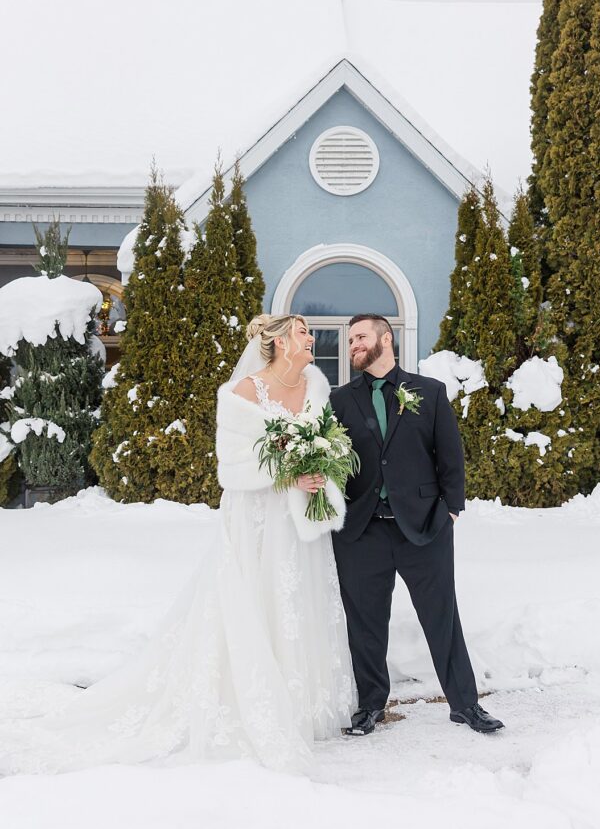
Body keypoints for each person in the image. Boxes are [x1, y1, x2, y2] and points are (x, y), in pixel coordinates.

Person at [0, 314, 355, 775]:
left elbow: (325, 442)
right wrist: (287, 471)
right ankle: (252, 698)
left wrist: (320, 469)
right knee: (257, 599)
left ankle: (300, 701)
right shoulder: (243, 394)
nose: (312, 339)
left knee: (297, 601)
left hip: (299, 520)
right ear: (281, 342)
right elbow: (230, 469)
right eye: (304, 332)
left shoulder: (315, 385)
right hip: (256, 521)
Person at [330, 314, 503, 736]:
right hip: (361, 531)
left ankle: (465, 705)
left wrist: (451, 509)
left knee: (442, 617)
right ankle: (371, 707)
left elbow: (450, 456)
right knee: (366, 624)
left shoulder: (429, 391)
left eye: (360, 337)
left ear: (385, 339)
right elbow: (334, 462)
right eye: (349, 339)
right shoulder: (338, 400)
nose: (352, 344)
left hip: (425, 527)